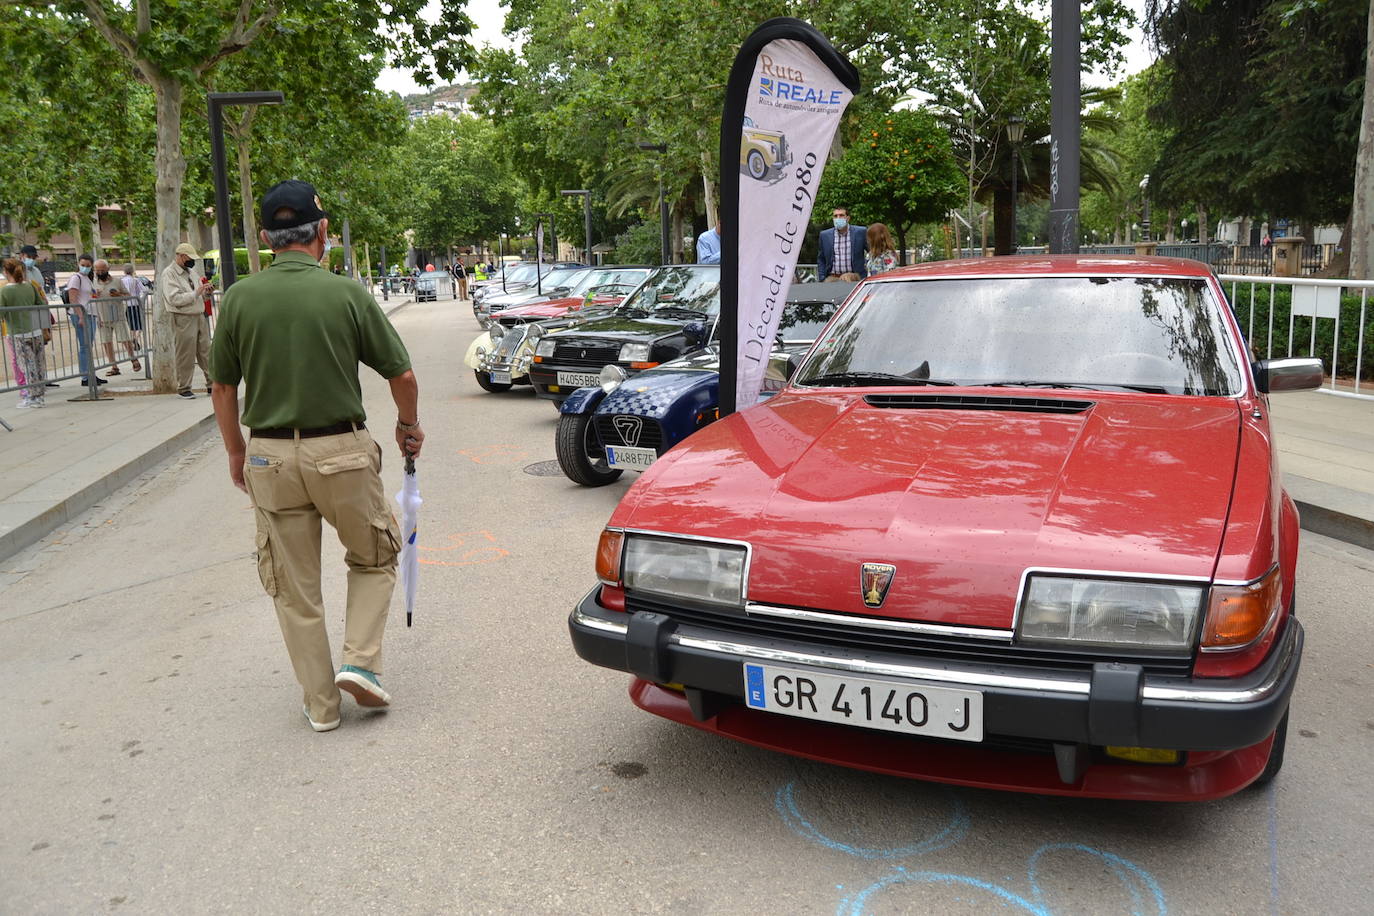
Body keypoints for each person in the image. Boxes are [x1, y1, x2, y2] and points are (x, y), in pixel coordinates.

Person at [208, 179, 423, 734]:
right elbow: (401, 374)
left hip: (270, 457)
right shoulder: (346, 293)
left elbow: (223, 389)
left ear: (264, 238)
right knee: (374, 557)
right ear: (322, 232)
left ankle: (322, 705)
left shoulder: (238, 298)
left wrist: (236, 451)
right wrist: (407, 426)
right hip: (342, 452)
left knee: (293, 586)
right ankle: (359, 661)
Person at [158, 242, 215, 399]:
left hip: (198, 315)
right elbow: (174, 298)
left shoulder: (192, 272)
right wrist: (196, 293)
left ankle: (212, 384)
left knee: (206, 351)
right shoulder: (169, 274)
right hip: (182, 317)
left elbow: (200, 296)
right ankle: (184, 387)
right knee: (185, 354)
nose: (192, 261)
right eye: (189, 258)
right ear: (181, 256)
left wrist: (207, 292)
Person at [2, 257, 48, 407]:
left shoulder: (4, 291)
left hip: (18, 332)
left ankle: (32, 397)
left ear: (5, 272)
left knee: (27, 365)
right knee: (39, 363)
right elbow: (40, 304)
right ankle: (39, 395)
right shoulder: (30, 286)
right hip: (35, 330)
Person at [90, 259, 140, 375]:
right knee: (106, 342)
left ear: (108, 269)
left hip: (118, 316)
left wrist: (118, 295)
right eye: (98, 270)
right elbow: (88, 298)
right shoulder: (92, 282)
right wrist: (93, 296)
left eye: (103, 270)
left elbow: (128, 296)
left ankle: (133, 359)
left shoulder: (117, 281)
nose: (100, 272)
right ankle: (113, 366)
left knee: (125, 339)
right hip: (102, 317)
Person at [65, 253, 106, 387]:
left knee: (88, 346)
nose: (85, 268)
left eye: (88, 266)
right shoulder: (76, 278)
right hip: (81, 314)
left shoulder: (87, 278)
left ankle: (90, 373)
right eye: (83, 265)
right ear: (78, 264)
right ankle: (85, 375)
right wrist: (80, 315)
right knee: (85, 346)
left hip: (90, 313)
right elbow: (73, 298)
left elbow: (89, 297)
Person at [817, 206, 868, 281]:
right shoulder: (824, 235)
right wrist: (822, 277)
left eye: (841, 215)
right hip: (832, 278)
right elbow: (821, 258)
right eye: (835, 216)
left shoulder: (860, 232)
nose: (838, 218)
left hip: (854, 277)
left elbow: (871, 251)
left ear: (848, 218)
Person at [120, 263, 146, 353]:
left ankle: (133, 339)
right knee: (139, 324)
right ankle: (135, 339)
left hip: (127, 305)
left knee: (131, 325)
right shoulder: (135, 280)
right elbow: (143, 290)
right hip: (136, 304)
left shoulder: (121, 280)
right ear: (132, 270)